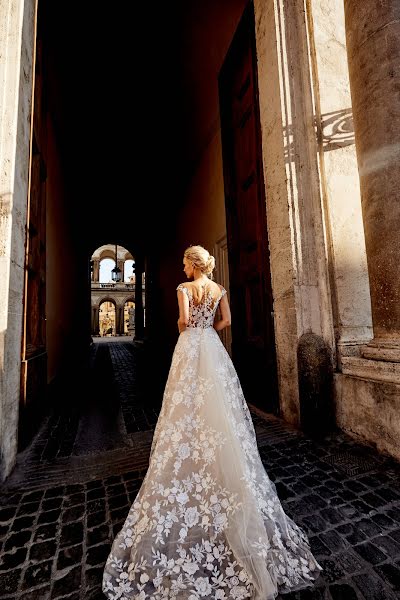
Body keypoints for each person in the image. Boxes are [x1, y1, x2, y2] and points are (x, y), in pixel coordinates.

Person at [102, 245, 322, 599]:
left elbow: (184, 323)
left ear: (191, 264)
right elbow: (227, 322)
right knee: (221, 404)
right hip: (213, 347)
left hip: (190, 346)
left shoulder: (184, 289)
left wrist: (184, 326)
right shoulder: (218, 289)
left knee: (185, 404)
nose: (182, 267)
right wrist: (211, 328)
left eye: (184, 262)